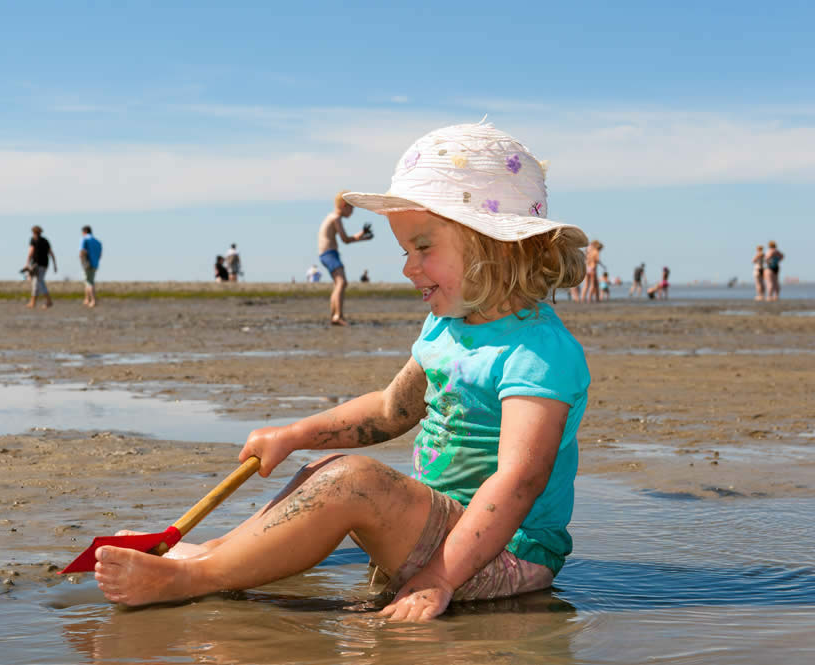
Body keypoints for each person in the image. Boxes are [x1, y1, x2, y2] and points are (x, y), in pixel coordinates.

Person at [94, 122, 591, 622]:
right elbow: (389, 410)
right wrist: (293, 436)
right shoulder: (447, 328)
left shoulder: (538, 353)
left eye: (423, 248)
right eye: (404, 251)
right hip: (434, 526)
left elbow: (519, 480)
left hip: (501, 553)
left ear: (498, 246)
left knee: (353, 481)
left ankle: (190, 579)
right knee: (326, 471)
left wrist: (440, 576)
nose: (407, 268)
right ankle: (216, 552)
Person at [317, 191, 373, 325]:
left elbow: (345, 239)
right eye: (351, 207)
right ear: (343, 205)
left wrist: (362, 234)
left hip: (326, 254)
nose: (352, 211)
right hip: (329, 253)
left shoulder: (331, 217)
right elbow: (345, 240)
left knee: (338, 284)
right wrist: (363, 238)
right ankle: (337, 316)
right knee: (342, 283)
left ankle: (334, 315)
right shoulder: (336, 218)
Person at [26, 225, 57, 308]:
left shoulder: (34, 240)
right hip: (45, 265)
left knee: (39, 282)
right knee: (36, 283)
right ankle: (33, 302)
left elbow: (30, 252)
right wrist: (54, 265)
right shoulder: (45, 240)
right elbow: (51, 253)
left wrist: (27, 264)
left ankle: (48, 301)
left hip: (37, 265)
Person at [80, 226, 103, 308]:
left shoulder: (85, 239)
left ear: (85, 231)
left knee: (89, 282)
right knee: (88, 280)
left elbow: (82, 251)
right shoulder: (98, 242)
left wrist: (82, 260)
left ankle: (93, 300)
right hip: (95, 263)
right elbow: (100, 255)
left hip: (87, 263)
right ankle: (87, 299)